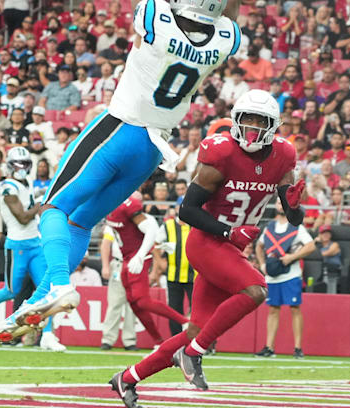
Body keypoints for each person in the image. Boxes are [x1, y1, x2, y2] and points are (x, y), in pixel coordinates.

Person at [0, 0, 243, 340]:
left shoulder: (158, 22)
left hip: (119, 128)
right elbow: (233, 3)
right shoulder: (222, 38)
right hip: (152, 148)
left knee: (54, 208)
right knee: (80, 222)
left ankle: (57, 285)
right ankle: (43, 296)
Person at [111, 90, 303, 403]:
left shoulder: (283, 155)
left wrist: (295, 207)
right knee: (256, 290)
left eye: (260, 121)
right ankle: (193, 354)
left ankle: (128, 378)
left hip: (230, 247)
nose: (253, 126)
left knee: (193, 329)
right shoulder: (223, 152)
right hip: (207, 241)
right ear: (236, 121)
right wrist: (228, 232)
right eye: (247, 119)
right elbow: (187, 210)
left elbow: (294, 218)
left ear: (273, 125)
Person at [0, 147, 63, 351]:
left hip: (35, 243)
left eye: (25, 164)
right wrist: (44, 203)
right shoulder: (6, 186)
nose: (22, 168)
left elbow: (31, 211)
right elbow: (23, 217)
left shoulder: (26, 182)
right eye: (18, 164)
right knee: (11, 291)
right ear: (10, 165)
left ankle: (47, 336)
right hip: (17, 245)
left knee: (49, 291)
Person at [104, 193, 188, 348]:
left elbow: (151, 231)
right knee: (134, 303)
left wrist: (141, 256)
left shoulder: (128, 207)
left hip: (137, 258)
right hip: (125, 259)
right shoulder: (106, 202)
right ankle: (158, 341)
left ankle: (185, 322)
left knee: (142, 300)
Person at [254, 207, 317, 358]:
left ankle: (298, 348)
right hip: (273, 275)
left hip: (291, 274)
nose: (280, 205)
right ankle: (269, 347)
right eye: (278, 202)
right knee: (273, 310)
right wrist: (262, 264)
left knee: (294, 308)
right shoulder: (269, 227)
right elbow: (259, 246)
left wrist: (293, 256)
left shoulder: (297, 227)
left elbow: (310, 246)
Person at [100, 225, 138, 350]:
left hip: (135, 265)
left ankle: (130, 340)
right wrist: (105, 265)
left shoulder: (141, 223)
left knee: (133, 305)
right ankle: (108, 339)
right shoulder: (114, 224)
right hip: (119, 264)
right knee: (114, 303)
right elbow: (106, 244)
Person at [163, 206, 194, 336]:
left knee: (199, 310)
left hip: (194, 275)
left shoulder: (196, 224)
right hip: (173, 275)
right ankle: (175, 340)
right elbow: (155, 244)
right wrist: (160, 262)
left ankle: (201, 342)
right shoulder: (167, 225)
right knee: (174, 310)